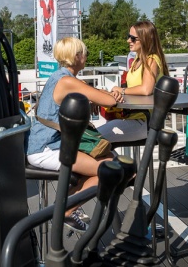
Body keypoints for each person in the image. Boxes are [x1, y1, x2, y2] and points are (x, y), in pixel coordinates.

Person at [26, 37, 124, 232]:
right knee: (110, 169)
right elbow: (109, 101)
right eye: (84, 53)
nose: (86, 56)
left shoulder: (59, 77)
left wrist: (98, 95)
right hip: (45, 149)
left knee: (111, 158)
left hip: (47, 144)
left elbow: (88, 95)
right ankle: (67, 210)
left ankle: (63, 206)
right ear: (77, 56)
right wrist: (115, 90)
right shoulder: (67, 81)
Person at [99, 20, 169, 143]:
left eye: (132, 38)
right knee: (97, 142)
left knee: (95, 139)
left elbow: (146, 89)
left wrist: (121, 90)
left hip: (144, 121)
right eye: (128, 37)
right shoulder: (137, 60)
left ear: (145, 39)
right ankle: (114, 161)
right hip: (132, 117)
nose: (128, 41)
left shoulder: (151, 60)